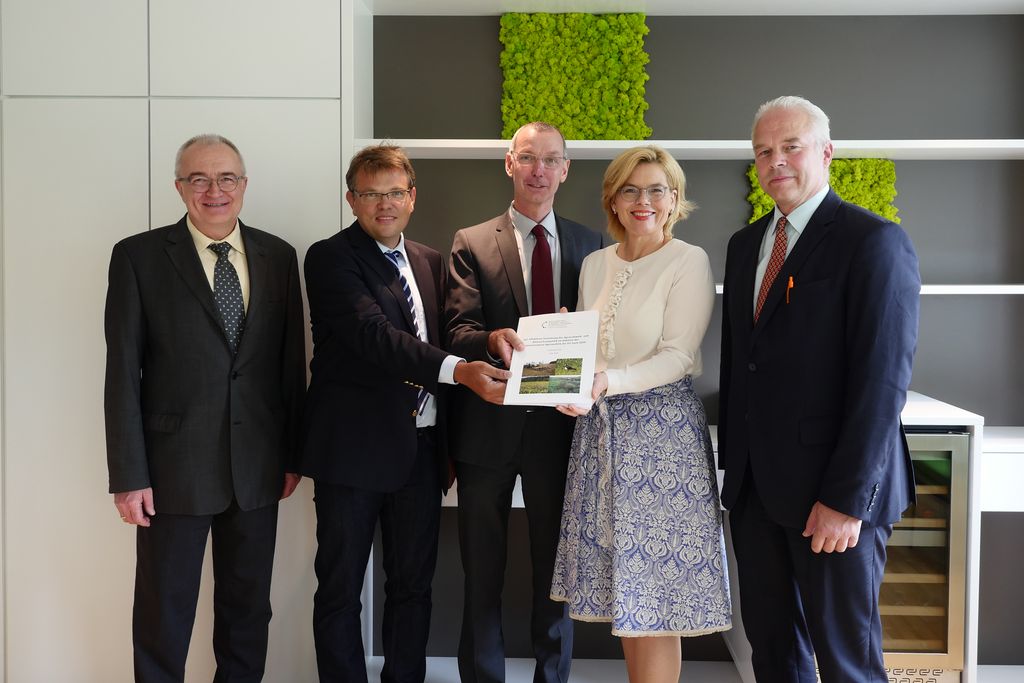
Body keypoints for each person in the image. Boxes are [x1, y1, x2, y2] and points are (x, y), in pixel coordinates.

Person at [718, 96, 920, 682]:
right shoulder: (744, 246)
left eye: (791, 147)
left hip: (832, 499)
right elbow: (741, 364)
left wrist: (847, 500)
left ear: (826, 153)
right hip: (755, 494)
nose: (775, 161)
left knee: (846, 663)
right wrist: (736, 479)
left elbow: (882, 383)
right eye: (763, 152)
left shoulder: (873, 240)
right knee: (773, 655)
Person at [300, 144, 510, 683]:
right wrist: (461, 371)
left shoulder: (429, 261)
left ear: (412, 197)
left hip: (421, 448)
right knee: (341, 589)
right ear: (351, 200)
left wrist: (496, 343)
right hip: (351, 451)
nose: (384, 204)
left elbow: (449, 338)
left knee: (413, 587)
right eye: (371, 194)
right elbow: (376, 338)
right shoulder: (330, 258)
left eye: (395, 192)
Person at [104, 133, 307, 682]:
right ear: (179, 187)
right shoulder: (138, 257)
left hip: (258, 467)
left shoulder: (278, 256)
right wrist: (129, 475)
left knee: (248, 612)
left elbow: (290, 367)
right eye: (199, 179)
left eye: (226, 178)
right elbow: (121, 374)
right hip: (171, 470)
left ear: (244, 185)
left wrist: (291, 456)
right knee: (164, 613)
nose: (214, 190)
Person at [550, 145, 732, 683]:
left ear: (674, 199)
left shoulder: (687, 260)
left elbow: (678, 356)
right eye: (629, 189)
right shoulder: (594, 263)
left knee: (655, 596)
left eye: (656, 189)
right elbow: (592, 353)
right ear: (613, 199)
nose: (643, 200)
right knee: (625, 594)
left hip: (661, 438)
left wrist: (606, 381)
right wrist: (564, 360)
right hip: (600, 433)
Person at [445, 121, 605, 683]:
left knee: (556, 574)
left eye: (551, 159)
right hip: (487, 428)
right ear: (509, 164)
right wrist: (493, 339)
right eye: (529, 158)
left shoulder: (592, 246)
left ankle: (551, 678)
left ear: (565, 170)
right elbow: (457, 330)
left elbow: (605, 336)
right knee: (481, 571)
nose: (540, 170)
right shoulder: (471, 241)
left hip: (561, 432)